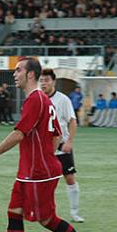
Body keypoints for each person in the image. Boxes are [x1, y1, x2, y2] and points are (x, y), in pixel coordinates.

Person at [0, 57, 101, 232]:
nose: (14, 74)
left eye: (18, 70)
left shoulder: (35, 100)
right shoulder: (43, 99)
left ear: (30, 74)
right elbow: (56, 135)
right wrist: (44, 153)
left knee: (47, 219)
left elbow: (19, 134)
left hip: (38, 173)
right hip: (30, 170)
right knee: (14, 212)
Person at [39, 68, 84, 223]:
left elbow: (72, 121)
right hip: (44, 148)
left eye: (47, 80)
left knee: (69, 178)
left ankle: (74, 212)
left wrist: (70, 141)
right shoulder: (37, 99)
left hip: (62, 146)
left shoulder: (63, 99)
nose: (44, 83)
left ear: (53, 82)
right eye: (41, 80)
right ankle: (42, 211)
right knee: (43, 180)